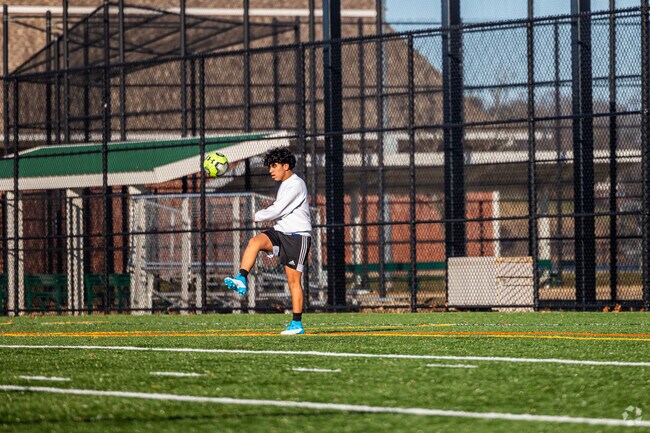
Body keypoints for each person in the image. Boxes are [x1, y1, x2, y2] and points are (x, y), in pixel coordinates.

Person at [224, 147, 312, 335]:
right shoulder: (285, 184)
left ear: (286, 166)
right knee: (255, 242)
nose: (271, 170)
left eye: (274, 166)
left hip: (297, 237)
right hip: (280, 231)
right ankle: (241, 278)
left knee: (293, 281)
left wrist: (254, 215)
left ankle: (297, 324)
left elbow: (278, 210)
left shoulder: (296, 184)